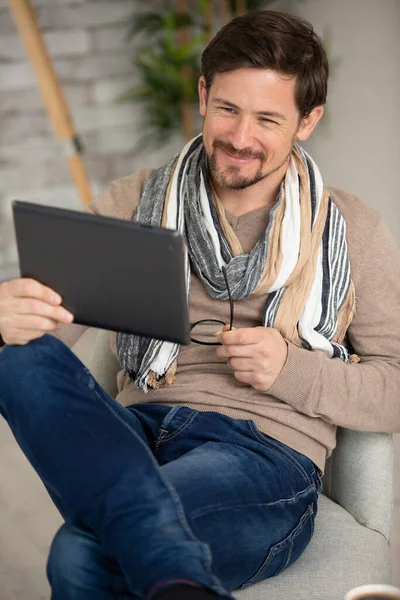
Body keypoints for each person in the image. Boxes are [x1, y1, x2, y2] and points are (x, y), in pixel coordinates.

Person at [0, 9, 399, 600]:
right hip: (135, 431)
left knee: (81, 555)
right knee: (18, 362)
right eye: (228, 109)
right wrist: (12, 316)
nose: (240, 138)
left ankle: (154, 550)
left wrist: (290, 370)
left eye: (267, 119)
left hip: (263, 456)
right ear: (203, 93)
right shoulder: (134, 200)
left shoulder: (351, 230)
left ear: (307, 121)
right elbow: (47, 342)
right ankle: (171, 568)